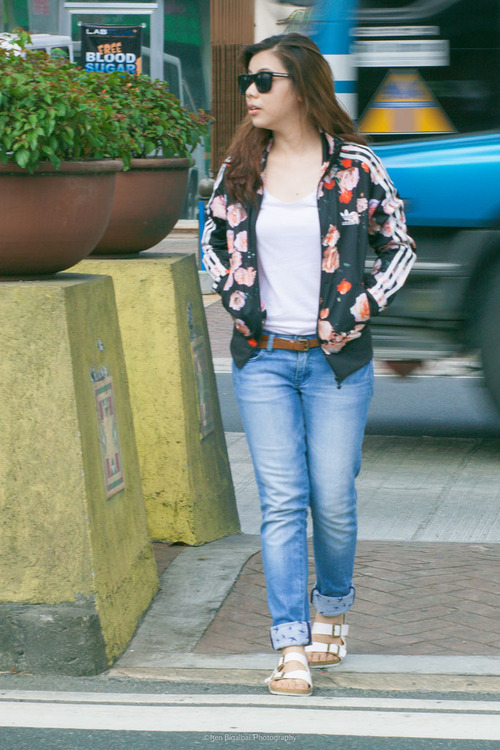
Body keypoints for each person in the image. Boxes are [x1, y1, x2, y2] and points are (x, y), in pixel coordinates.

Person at [202, 32, 416, 697]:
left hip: (336, 364)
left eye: (264, 80)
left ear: (301, 86)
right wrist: (234, 294)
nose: (251, 92)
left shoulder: (355, 166)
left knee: (334, 499)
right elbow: (210, 239)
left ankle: (334, 607)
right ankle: (290, 644)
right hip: (264, 358)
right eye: (247, 80)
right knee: (282, 501)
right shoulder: (241, 165)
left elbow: (400, 246)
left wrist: (366, 304)